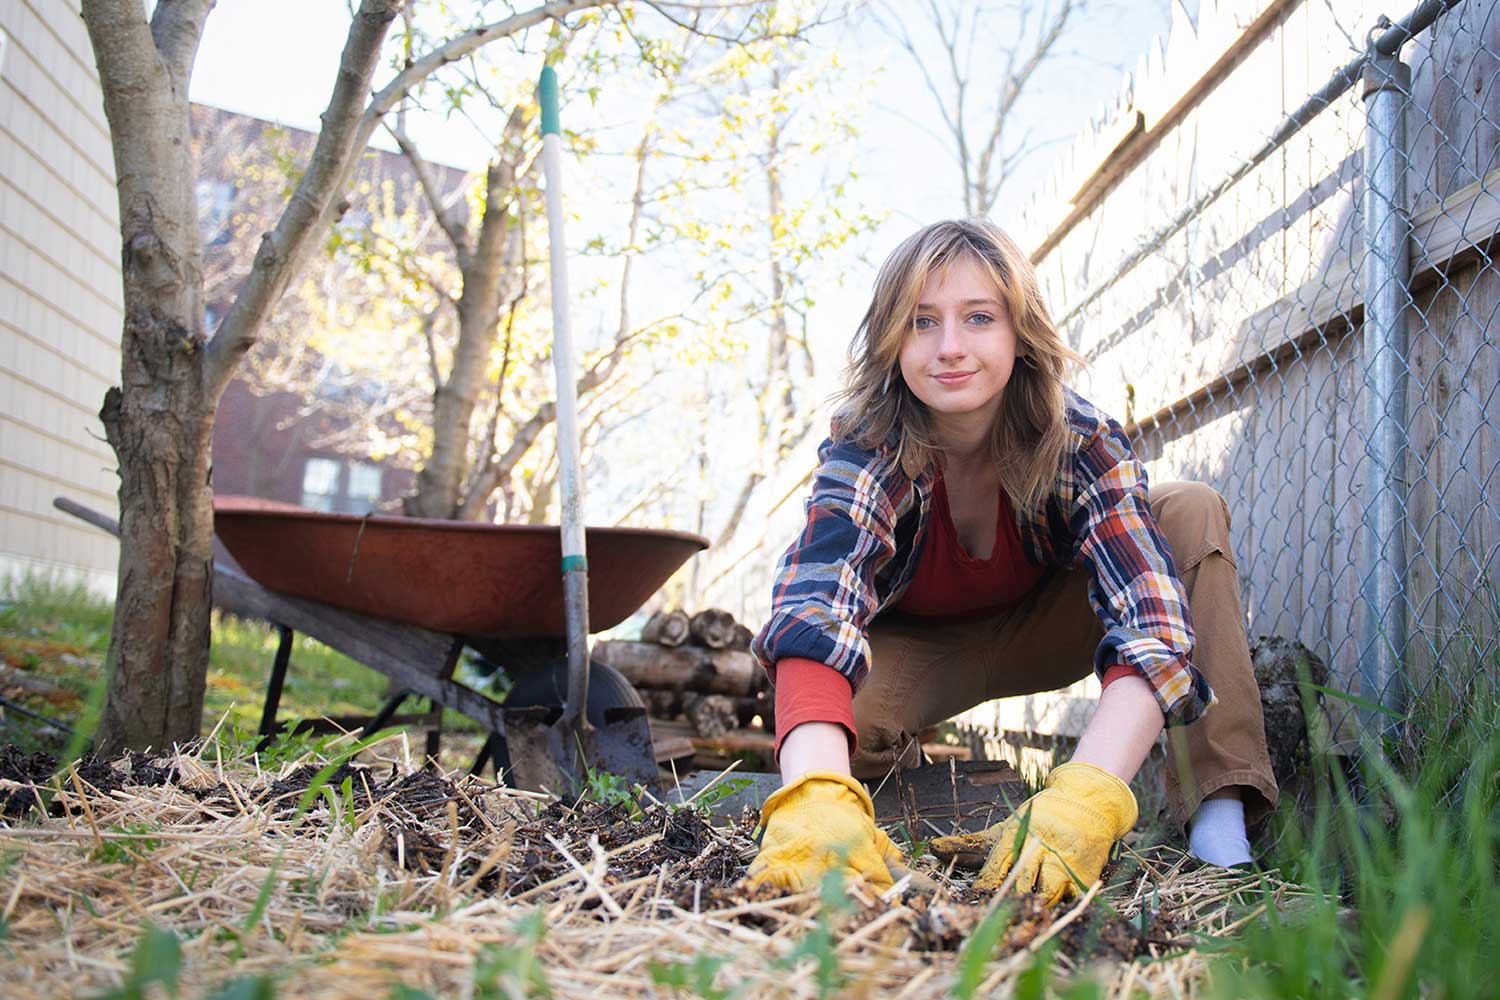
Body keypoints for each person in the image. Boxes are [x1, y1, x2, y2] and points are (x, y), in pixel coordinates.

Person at [742, 218, 1278, 903]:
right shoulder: (868, 443)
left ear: (1019, 333)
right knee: (850, 729)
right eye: (922, 322)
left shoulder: (1077, 436)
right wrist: (815, 794)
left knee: (1187, 507)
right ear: (892, 339)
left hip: (1055, 626)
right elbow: (815, 605)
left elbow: (1150, 619)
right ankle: (875, 808)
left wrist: (1084, 800)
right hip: (921, 649)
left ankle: (1219, 822)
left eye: (978, 318)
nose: (951, 348)